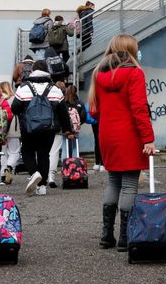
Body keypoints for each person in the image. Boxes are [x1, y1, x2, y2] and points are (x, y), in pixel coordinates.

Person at [88, 34, 156, 252]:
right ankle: (126, 237)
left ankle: (107, 235)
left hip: (107, 134)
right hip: (129, 134)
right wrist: (148, 138)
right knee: (129, 184)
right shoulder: (135, 73)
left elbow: (94, 110)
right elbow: (139, 109)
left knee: (113, 182)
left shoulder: (98, 73)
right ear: (131, 50)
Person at [11, 60, 73, 196]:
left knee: (27, 151)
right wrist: (68, 129)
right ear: (47, 71)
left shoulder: (24, 87)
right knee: (44, 154)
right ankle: (42, 186)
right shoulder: (55, 89)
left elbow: (14, 108)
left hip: (29, 128)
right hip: (49, 128)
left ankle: (34, 173)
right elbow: (63, 112)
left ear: (32, 71)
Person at [0, 81, 21, 185]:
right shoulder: (14, 99)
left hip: (0, 129)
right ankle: (10, 167)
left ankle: (3, 176)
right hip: (13, 128)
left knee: (3, 153)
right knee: (14, 152)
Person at [47, 81, 69, 188]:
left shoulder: (43, 93)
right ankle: (51, 176)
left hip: (41, 126)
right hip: (56, 127)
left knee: (42, 152)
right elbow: (64, 113)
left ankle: (40, 174)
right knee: (54, 153)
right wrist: (67, 128)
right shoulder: (59, 95)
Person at [64, 85, 84, 157]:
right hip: (75, 128)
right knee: (75, 146)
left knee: (65, 146)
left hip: (65, 128)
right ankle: (75, 165)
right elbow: (83, 116)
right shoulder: (79, 103)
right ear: (75, 92)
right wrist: (78, 124)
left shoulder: (63, 102)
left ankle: (65, 165)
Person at [85, 102, 103, 171]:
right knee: (101, 141)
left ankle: (97, 163)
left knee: (97, 141)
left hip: (94, 120)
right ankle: (102, 164)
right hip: (101, 120)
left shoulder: (92, 98)